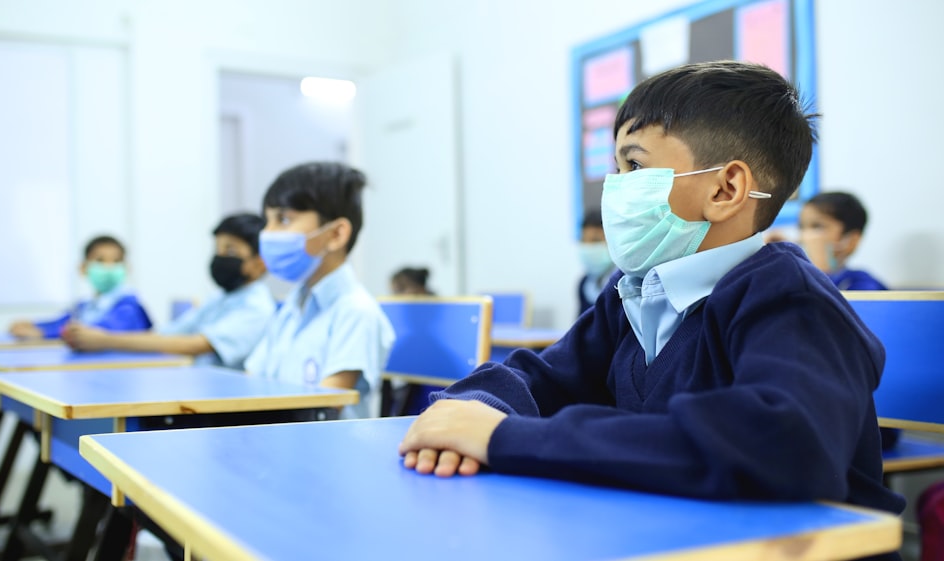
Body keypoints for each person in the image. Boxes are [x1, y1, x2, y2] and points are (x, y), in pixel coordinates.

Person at [397, 60, 905, 552]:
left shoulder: (791, 298)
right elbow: (540, 375)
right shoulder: (634, 290)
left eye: (634, 165)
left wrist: (506, 438)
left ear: (726, 189)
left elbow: (779, 445)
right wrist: (470, 411)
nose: (615, 188)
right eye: (616, 168)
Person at [244, 162, 395, 419]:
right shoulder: (293, 305)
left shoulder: (355, 312)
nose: (267, 234)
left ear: (336, 234)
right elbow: (251, 381)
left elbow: (323, 408)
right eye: (266, 221)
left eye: (283, 219)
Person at [62, 214, 274, 369]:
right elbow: (169, 333)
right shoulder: (221, 297)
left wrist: (106, 340)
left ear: (260, 263)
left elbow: (194, 345)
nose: (220, 257)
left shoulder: (256, 307)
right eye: (217, 249)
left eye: (230, 250)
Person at [8, 235, 152, 339]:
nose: (109, 267)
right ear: (83, 268)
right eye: (100, 260)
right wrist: (34, 326)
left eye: (116, 261)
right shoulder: (85, 306)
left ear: (127, 268)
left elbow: (100, 332)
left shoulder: (129, 306)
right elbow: (64, 322)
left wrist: (43, 334)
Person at [798, 191, 888, 290]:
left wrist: (821, 271)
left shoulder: (862, 283)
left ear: (851, 241)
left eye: (817, 227)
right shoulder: (795, 277)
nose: (803, 237)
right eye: (801, 227)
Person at [577, 208, 615, 316]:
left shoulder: (624, 283)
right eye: (584, 241)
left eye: (596, 241)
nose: (588, 247)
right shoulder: (584, 283)